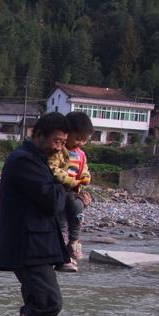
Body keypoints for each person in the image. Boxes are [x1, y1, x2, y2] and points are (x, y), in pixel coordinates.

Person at [0, 112, 72, 316]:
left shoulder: (39, 160)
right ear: (38, 135)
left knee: (34, 306)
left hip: (38, 244)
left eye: (63, 143)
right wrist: (68, 184)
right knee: (49, 302)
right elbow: (51, 201)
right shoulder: (24, 161)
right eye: (57, 141)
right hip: (27, 246)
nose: (59, 147)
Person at [49, 111, 94, 272]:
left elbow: (85, 171)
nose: (80, 143)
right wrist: (70, 180)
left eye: (84, 140)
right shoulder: (60, 152)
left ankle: (74, 242)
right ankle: (60, 252)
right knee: (60, 220)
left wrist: (85, 178)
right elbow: (54, 169)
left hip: (72, 191)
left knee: (77, 209)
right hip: (60, 189)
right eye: (77, 139)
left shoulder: (81, 155)